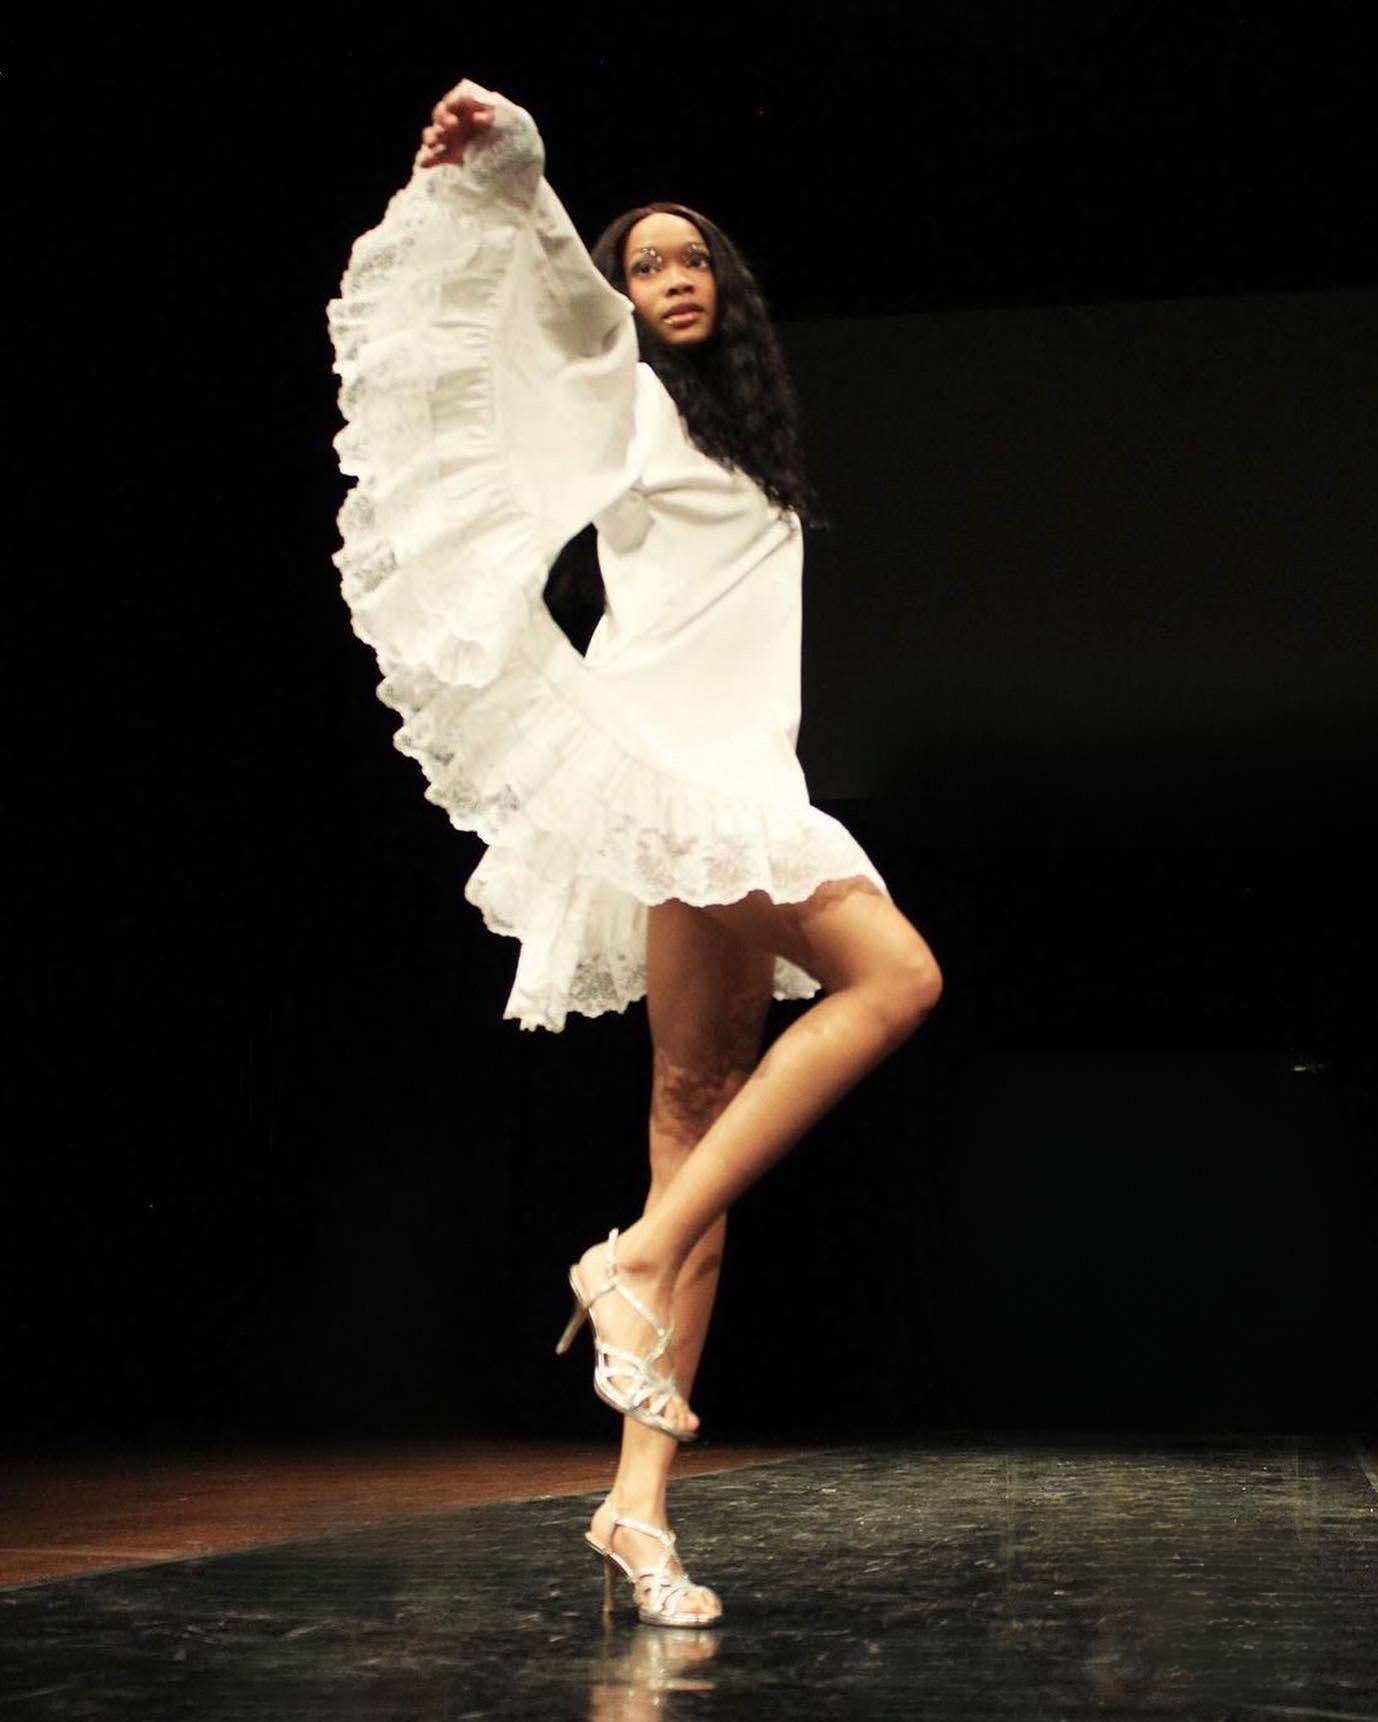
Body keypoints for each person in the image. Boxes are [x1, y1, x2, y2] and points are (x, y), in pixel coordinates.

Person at [328, 77, 943, 1627]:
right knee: (895, 979)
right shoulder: (630, 398)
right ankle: (631, 1255)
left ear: (724, 285)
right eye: (645, 263)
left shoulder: (741, 433)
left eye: (690, 260)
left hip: (730, 780)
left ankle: (635, 1507)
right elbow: (554, 300)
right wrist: (517, 163)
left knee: (694, 1116)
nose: (670, 280)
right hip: (681, 777)